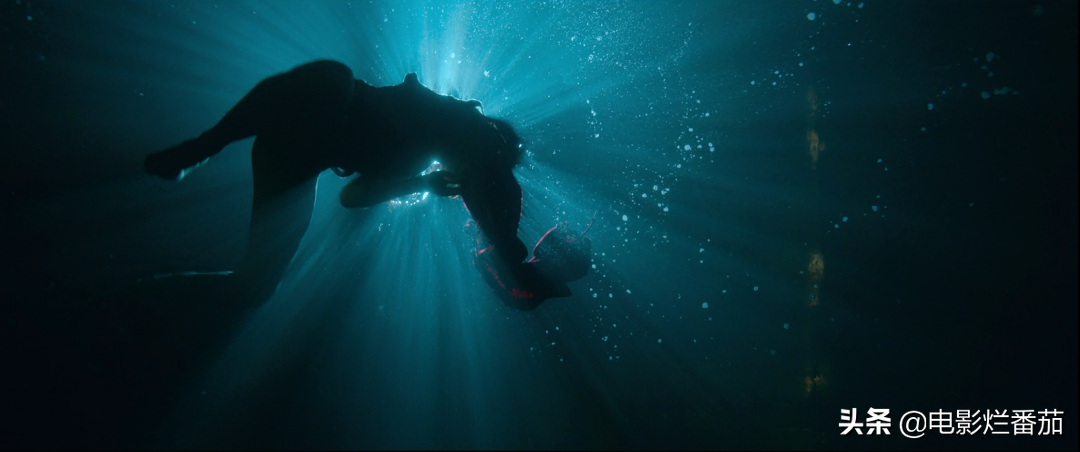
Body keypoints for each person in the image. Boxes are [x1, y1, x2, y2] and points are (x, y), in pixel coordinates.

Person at [143, 59, 589, 308]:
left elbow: (350, 195)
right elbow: (483, 158)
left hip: (295, 159)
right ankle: (206, 144)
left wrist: (422, 183)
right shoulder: (451, 125)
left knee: (255, 288)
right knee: (334, 79)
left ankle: (148, 294)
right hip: (309, 114)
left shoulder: (427, 160)